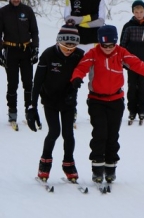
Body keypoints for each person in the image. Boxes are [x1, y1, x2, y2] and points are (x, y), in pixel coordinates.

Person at [71, 25, 144, 184]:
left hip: (116, 100)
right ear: (99, 43)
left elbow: (135, 63)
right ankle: (97, 168)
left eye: (111, 45)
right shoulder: (93, 53)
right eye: (104, 46)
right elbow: (81, 67)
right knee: (100, 133)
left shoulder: (121, 52)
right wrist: (77, 78)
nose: (108, 49)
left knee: (112, 135)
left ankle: (111, 167)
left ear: (115, 43)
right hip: (96, 101)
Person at [26, 21, 84, 182]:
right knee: (54, 132)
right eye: (66, 46)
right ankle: (44, 165)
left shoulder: (79, 55)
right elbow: (36, 83)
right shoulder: (48, 54)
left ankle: (68, 165)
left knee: (68, 134)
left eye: (72, 47)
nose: (68, 50)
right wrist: (32, 107)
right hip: (50, 100)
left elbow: (86, 71)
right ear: (59, 42)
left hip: (68, 100)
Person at [64, 0, 105, 126]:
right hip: (76, 44)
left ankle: (96, 109)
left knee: (96, 80)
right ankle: (72, 110)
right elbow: (68, 19)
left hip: (94, 43)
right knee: (73, 79)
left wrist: (80, 22)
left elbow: (100, 21)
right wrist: (89, 18)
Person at [0, 0, 39, 129]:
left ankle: (29, 110)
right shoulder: (3, 11)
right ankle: (12, 113)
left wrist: (35, 48)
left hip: (26, 50)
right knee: (12, 83)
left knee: (28, 82)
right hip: (10, 51)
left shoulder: (27, 10)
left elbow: (34, 31)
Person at [120, 0, 144, 121]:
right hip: (130, 63)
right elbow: (122, 45)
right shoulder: (128, 26)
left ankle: (142, 109)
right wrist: (122, 61)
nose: (139, 14)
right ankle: (132, 109)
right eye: (136, 12)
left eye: (141, 12)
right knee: (131, 85)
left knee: (142, 85)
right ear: (133, 12)